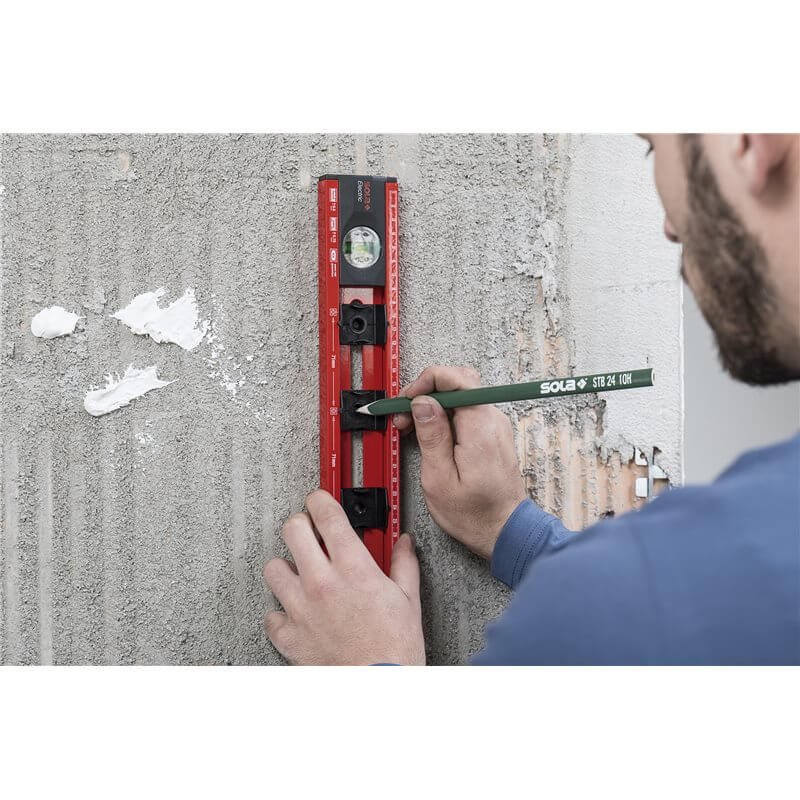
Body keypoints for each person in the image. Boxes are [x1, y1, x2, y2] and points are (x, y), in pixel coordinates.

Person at [262, 134, 800, 665]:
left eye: (654, 147)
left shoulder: (666, 577)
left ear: (753, 141)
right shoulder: (758, 548)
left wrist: (373, 664)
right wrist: (508, 527)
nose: (668, 228)